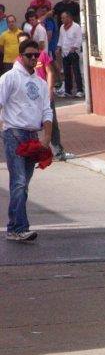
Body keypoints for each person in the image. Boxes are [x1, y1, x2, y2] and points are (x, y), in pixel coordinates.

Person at [0, 40, 53, 242]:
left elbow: (47, 111)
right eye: (29, 55)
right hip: (14, 134)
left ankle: (14, 226)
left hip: (32, 136)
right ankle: (20, 227)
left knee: (23, 184)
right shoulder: (9, 78)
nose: (33, 59)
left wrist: (47, 137)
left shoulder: (40, 83)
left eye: (36, 55)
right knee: (19, 182)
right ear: (21, 56)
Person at [19, 31, 71, 161]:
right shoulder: (19, 61)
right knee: (30, 124)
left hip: (45, 95)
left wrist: (50, 89)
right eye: (21, 42)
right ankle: (32, 151)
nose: (32, 57)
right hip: (30, 98)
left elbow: (49, 72)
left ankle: (57, 150)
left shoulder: (41, 55)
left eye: (26, 40)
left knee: (52, 122)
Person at [56, 11, 84, 98]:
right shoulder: (62, 27)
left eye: (63, 18)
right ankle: (68, 90)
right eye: (61, 18)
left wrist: (74, 48)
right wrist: (59, 47)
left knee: (76, 72)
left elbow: (79, 40)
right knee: (66, 72)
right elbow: (61, 38)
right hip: (65, 53)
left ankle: (80, 90)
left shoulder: (76, 27)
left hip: (73, 53)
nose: (62, 19)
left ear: (69, 18)